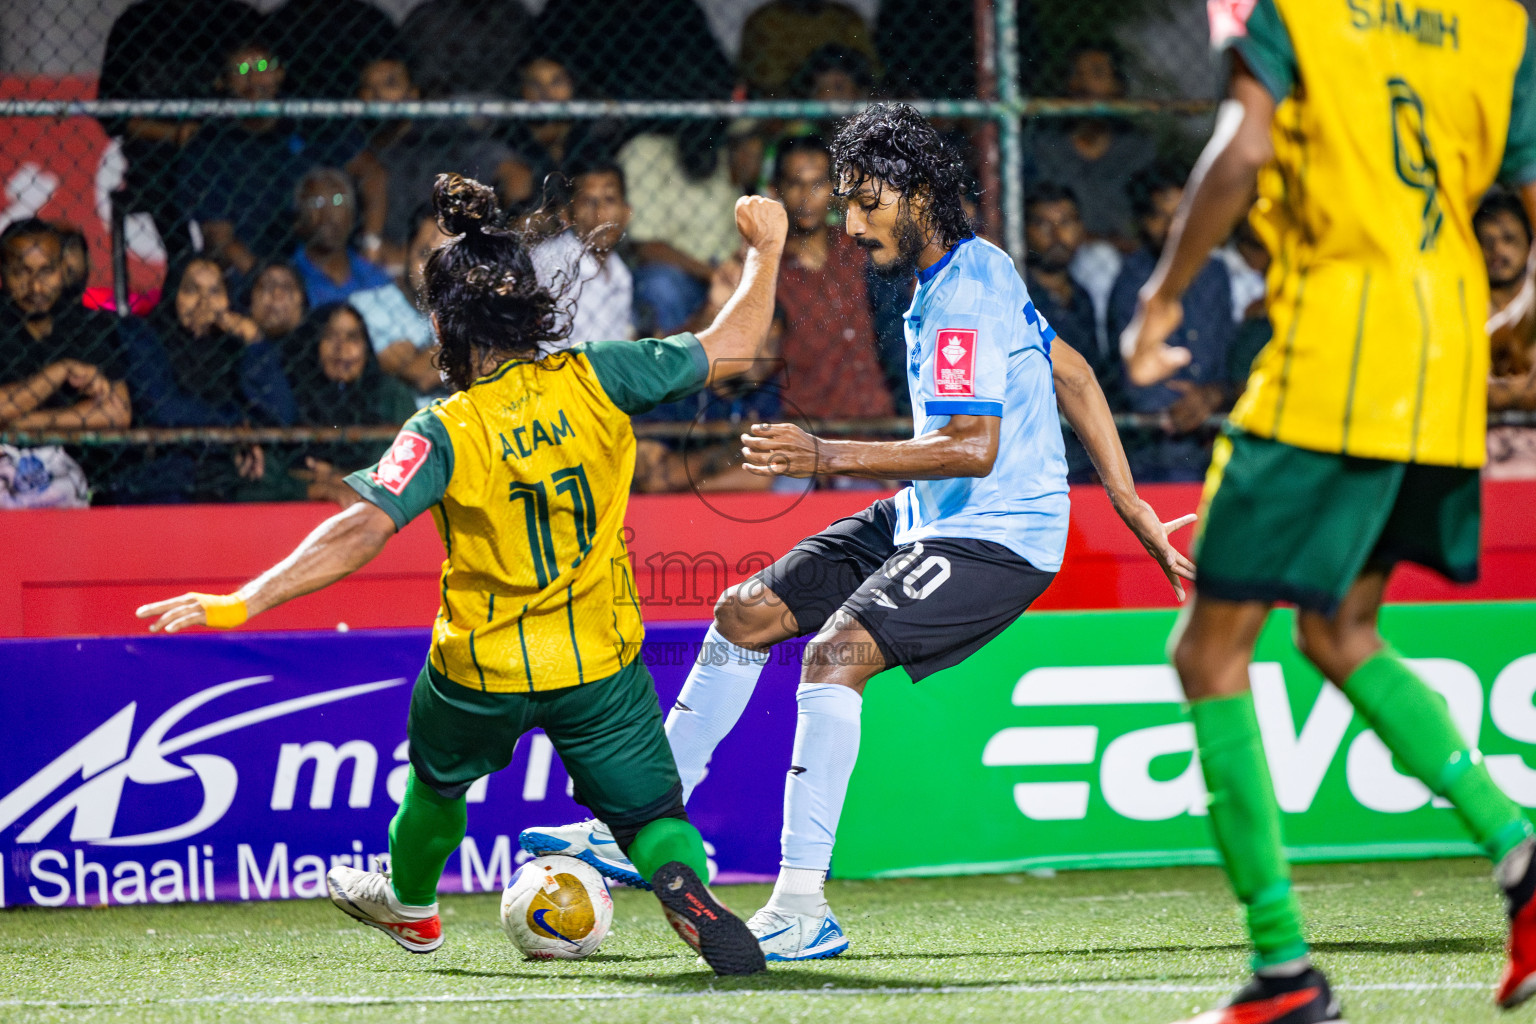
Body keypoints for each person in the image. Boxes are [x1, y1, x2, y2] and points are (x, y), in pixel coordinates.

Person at [521, 104, 1196, 961]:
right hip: (930, 520)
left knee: (835, 653)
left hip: (999, 536)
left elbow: (970, 447)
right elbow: (1070, 369)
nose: (850, 224)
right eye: (846, 203)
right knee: (745, 612)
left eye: (867, 202)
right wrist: (1129, 503)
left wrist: (820, 450)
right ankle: (635, 831)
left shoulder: (963, 292)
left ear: (920, 196)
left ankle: (803, 905)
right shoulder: (976, 269)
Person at [135, 172, 793, 976]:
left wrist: (243, 601)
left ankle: (413, 912)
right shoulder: (603, 375)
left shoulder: (444, 426)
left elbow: (362, 527)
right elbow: (733, 345)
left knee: (436, 793)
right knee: (652, 813)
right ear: (530, 308)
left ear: (447, 323)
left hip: (480, 668)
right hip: (600, 658)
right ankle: (682, 885)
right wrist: (766, 249)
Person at [1119, 1, 1536, 1018]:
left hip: (1338, 349)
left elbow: (1244, 143)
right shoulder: (1496, 22)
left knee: (1208, 651)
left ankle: (1283, 971)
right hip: (1444, 354)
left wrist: (1164, 295)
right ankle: (1523, 861)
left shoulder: (1286, 5)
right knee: (1341, 629)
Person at [177, 33, 364, 275]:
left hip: (324, 264)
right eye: (242, 69)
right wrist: (268, 281)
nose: (254, 78)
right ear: (223, 82)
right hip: (249, 274)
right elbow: (219, 236)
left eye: (263, 66)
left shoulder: (309, 117)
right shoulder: (209, 144)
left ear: (280, 73)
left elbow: (370, 171)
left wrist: (372, 244)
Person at [1110, 163, 1234, 482]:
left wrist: (1213, 395)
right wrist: (1187, 404)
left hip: (1216, 429)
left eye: (1182, 213)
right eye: (1159, 216)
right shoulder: (1131, 280)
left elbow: (1224, 354)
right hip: (1156, 442)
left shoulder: (1216, 273)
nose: (1172, 227)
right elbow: (1130, 378)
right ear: (1141, 222)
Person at [765, 134, 893, 421]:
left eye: (818, 184)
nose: (807, 197)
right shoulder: (770, 267)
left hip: (879, 418)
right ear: (777, 191)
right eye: (796, 185)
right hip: (813, 425)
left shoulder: (858, 249)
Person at [351, 55, 520, 270]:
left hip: (446, 259)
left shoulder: (440, 137)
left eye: (390, 84)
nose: (378, 96)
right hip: (382, 265)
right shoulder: (354, 146)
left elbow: (513, 172)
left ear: (413, 93)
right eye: (369, 87)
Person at [244, 303, 418, 504]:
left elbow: (407, 466)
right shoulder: (287, 395)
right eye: (330, 336)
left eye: (352, 337)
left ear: (366, 346)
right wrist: (312, 489)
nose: (342, 348)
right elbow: (264, 476)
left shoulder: (390, 395)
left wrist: (338, 477)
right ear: (312, 344)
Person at [118, 257, 295, 428]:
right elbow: (164, 411)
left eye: (214, 291)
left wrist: (254, 340)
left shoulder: (238, 346)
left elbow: (282, 414)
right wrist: (236, 424)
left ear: (228, 300)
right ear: (173, 296)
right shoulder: (145, 336)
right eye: (192, 290)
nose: (204, 302)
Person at [1024, 182, 1122, 481]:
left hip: (1081, 447)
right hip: (1034, 449)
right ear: (1024, 230)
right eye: (1043, 224)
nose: (1057, 235)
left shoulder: (1082, 297)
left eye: (1066, 223)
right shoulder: (1017, 295)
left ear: (1081, 229)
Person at [0, 220, 130, 429]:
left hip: (77, 459)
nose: (36, 287)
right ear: (3, 273)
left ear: (63, 270)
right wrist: (59, 372)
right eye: (20, 273)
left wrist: (23, 423)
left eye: (46, 271)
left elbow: (118, 412)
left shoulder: (81, 322)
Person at [1026, 43, 1156, 253]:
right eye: (1077, 74)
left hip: (1128, 252)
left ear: (1118, 87)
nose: (1084, 85)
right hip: (1062, 252)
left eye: (1097, 74)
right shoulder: (1045, 144)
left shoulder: (1137, 147)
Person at [531, 163, 635, 347]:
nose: (600, 214)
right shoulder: (551, 264)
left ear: (627, 213)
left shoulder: (620, 274)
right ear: (566, 216)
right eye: (588, 202)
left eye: (610, 200)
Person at [1477, 189, 1536, 479]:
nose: (1498, 250)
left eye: (1509, 239)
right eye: (1487, 242)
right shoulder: (1455, 309)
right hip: (1478, 471)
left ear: (1529, 242)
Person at [738, 1, 882, 98]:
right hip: (788, 106)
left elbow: (872, 70)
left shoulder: (845, 17)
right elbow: (763, 82)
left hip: (849, 98)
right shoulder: (766, 21)